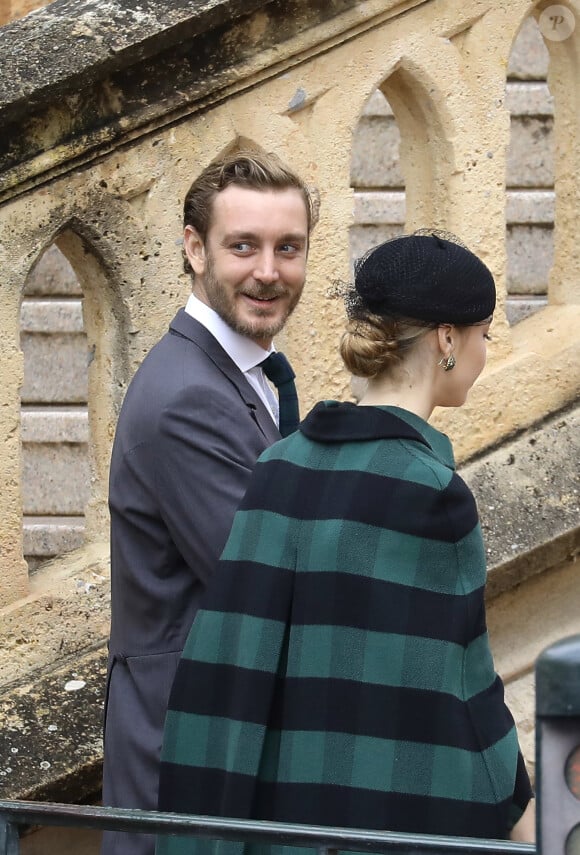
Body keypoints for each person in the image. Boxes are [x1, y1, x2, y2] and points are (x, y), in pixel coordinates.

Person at [156, 231, 535, 853]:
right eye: (484, 334)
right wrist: (532, 824)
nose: (484, 352)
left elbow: (228, 666)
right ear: (447, 338)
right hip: (374, 826)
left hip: (271, 827)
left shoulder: (280, 464)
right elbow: (464, 694)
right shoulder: (432, 491)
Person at [101, 150, 318, 855]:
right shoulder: (189, 395)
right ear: (194, 249)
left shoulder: (242, 372)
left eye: (288, 248)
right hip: (188, 770)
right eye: (243, 246)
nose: (268, 271)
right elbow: (269, 585)